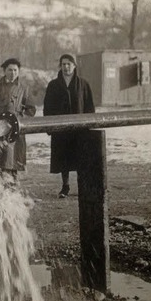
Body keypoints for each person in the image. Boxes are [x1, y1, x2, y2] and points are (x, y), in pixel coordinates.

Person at [43, 53, 95, 198]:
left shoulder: (83, 84)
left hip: (79, 129)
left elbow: (89, 107)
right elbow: (48, 107)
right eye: (63, 64)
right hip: (61, 130)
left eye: (69, 64)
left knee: (81, 158)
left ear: (74, 66)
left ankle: (82, 186)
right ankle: (65, 186)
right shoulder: (53, 85)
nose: (66, 67)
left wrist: (88, 127)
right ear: (60, 66)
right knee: (63, 159)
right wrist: (50, 127)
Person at [0, 58, 36, 182]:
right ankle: (1, 189)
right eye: (9, 70)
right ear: (4, 71)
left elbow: (31, 109)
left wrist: (21, 121)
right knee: (0, 160)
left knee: (13, 162)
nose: (12, 73)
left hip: (16, 130)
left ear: (18, 71)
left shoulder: (24, 88)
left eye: (15, 70)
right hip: (0, 127)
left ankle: (12, 188)